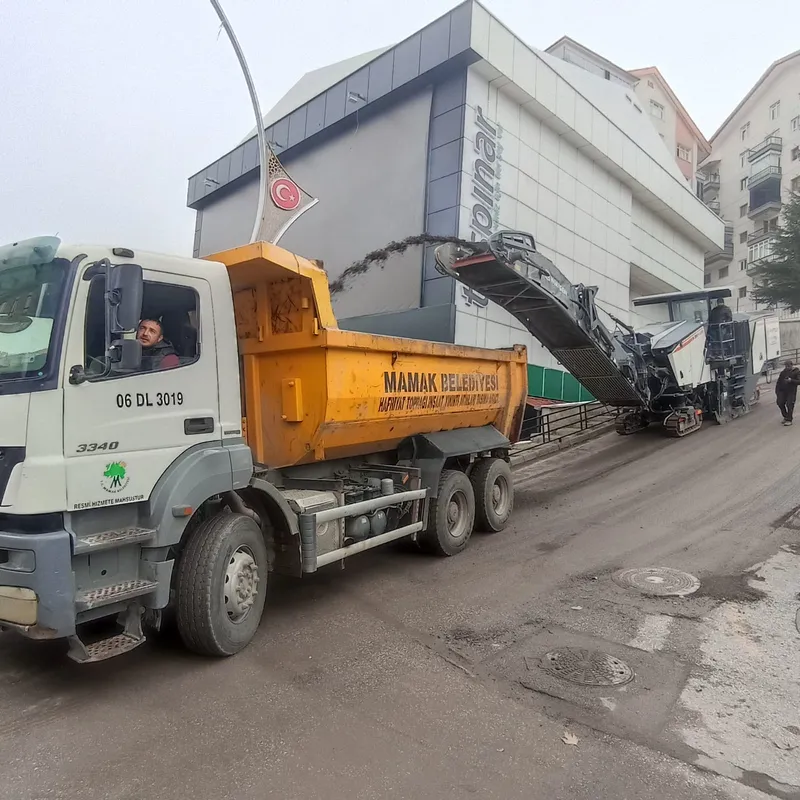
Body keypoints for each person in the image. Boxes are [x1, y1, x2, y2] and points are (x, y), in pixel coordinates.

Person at [774, 360, 800, 426]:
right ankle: (785, 416)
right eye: (786, 366)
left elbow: (799, 381)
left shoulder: (796, 372)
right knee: (780, 403)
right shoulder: (783, 373)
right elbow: (779, 382)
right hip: (782, 391)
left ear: (791, 365)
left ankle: (789, 419)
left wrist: (791, 380)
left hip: (791, 391)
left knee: (789, 404)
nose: (787, 367)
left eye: (788, 366)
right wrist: (777, 391)